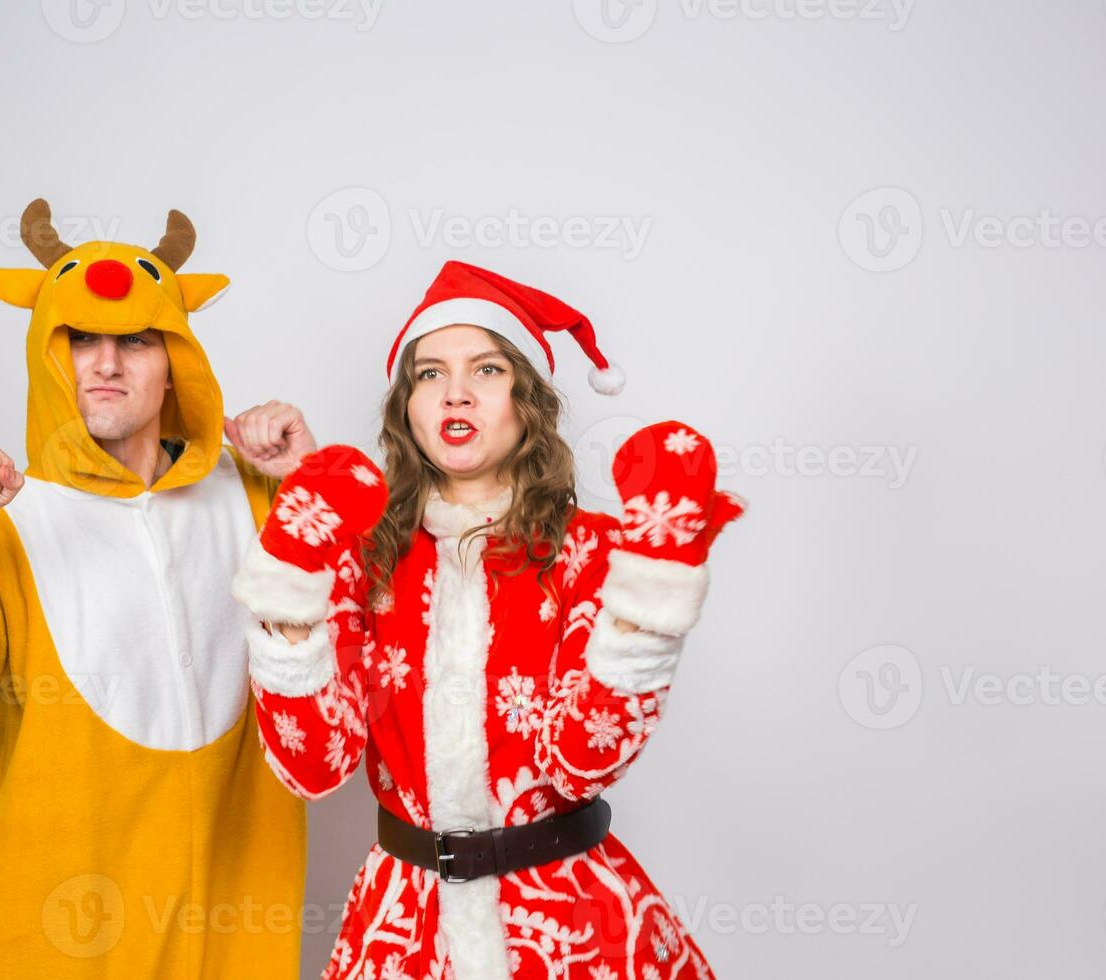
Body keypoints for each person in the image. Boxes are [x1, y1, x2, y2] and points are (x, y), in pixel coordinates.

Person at [0, 199, 309, 978]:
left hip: (232, 948)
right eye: (80, 339)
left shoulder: (254, 499)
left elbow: (374, 648)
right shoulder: (0, 526)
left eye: (137, 340)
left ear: (175, 356)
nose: (106, 364)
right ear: (48, 354)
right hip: (53, 951)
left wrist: (309, 490)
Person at [229, 260, 744, 979]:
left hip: (568, 922)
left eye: (489, 369)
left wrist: (649, 602)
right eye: (430, 373)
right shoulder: (361, 556)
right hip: (407, 928)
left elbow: (583, 760)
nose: (457, 392)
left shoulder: (589, 551)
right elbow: (311, 768)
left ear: (527, 401)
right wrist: (289, 590)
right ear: (406, 406)